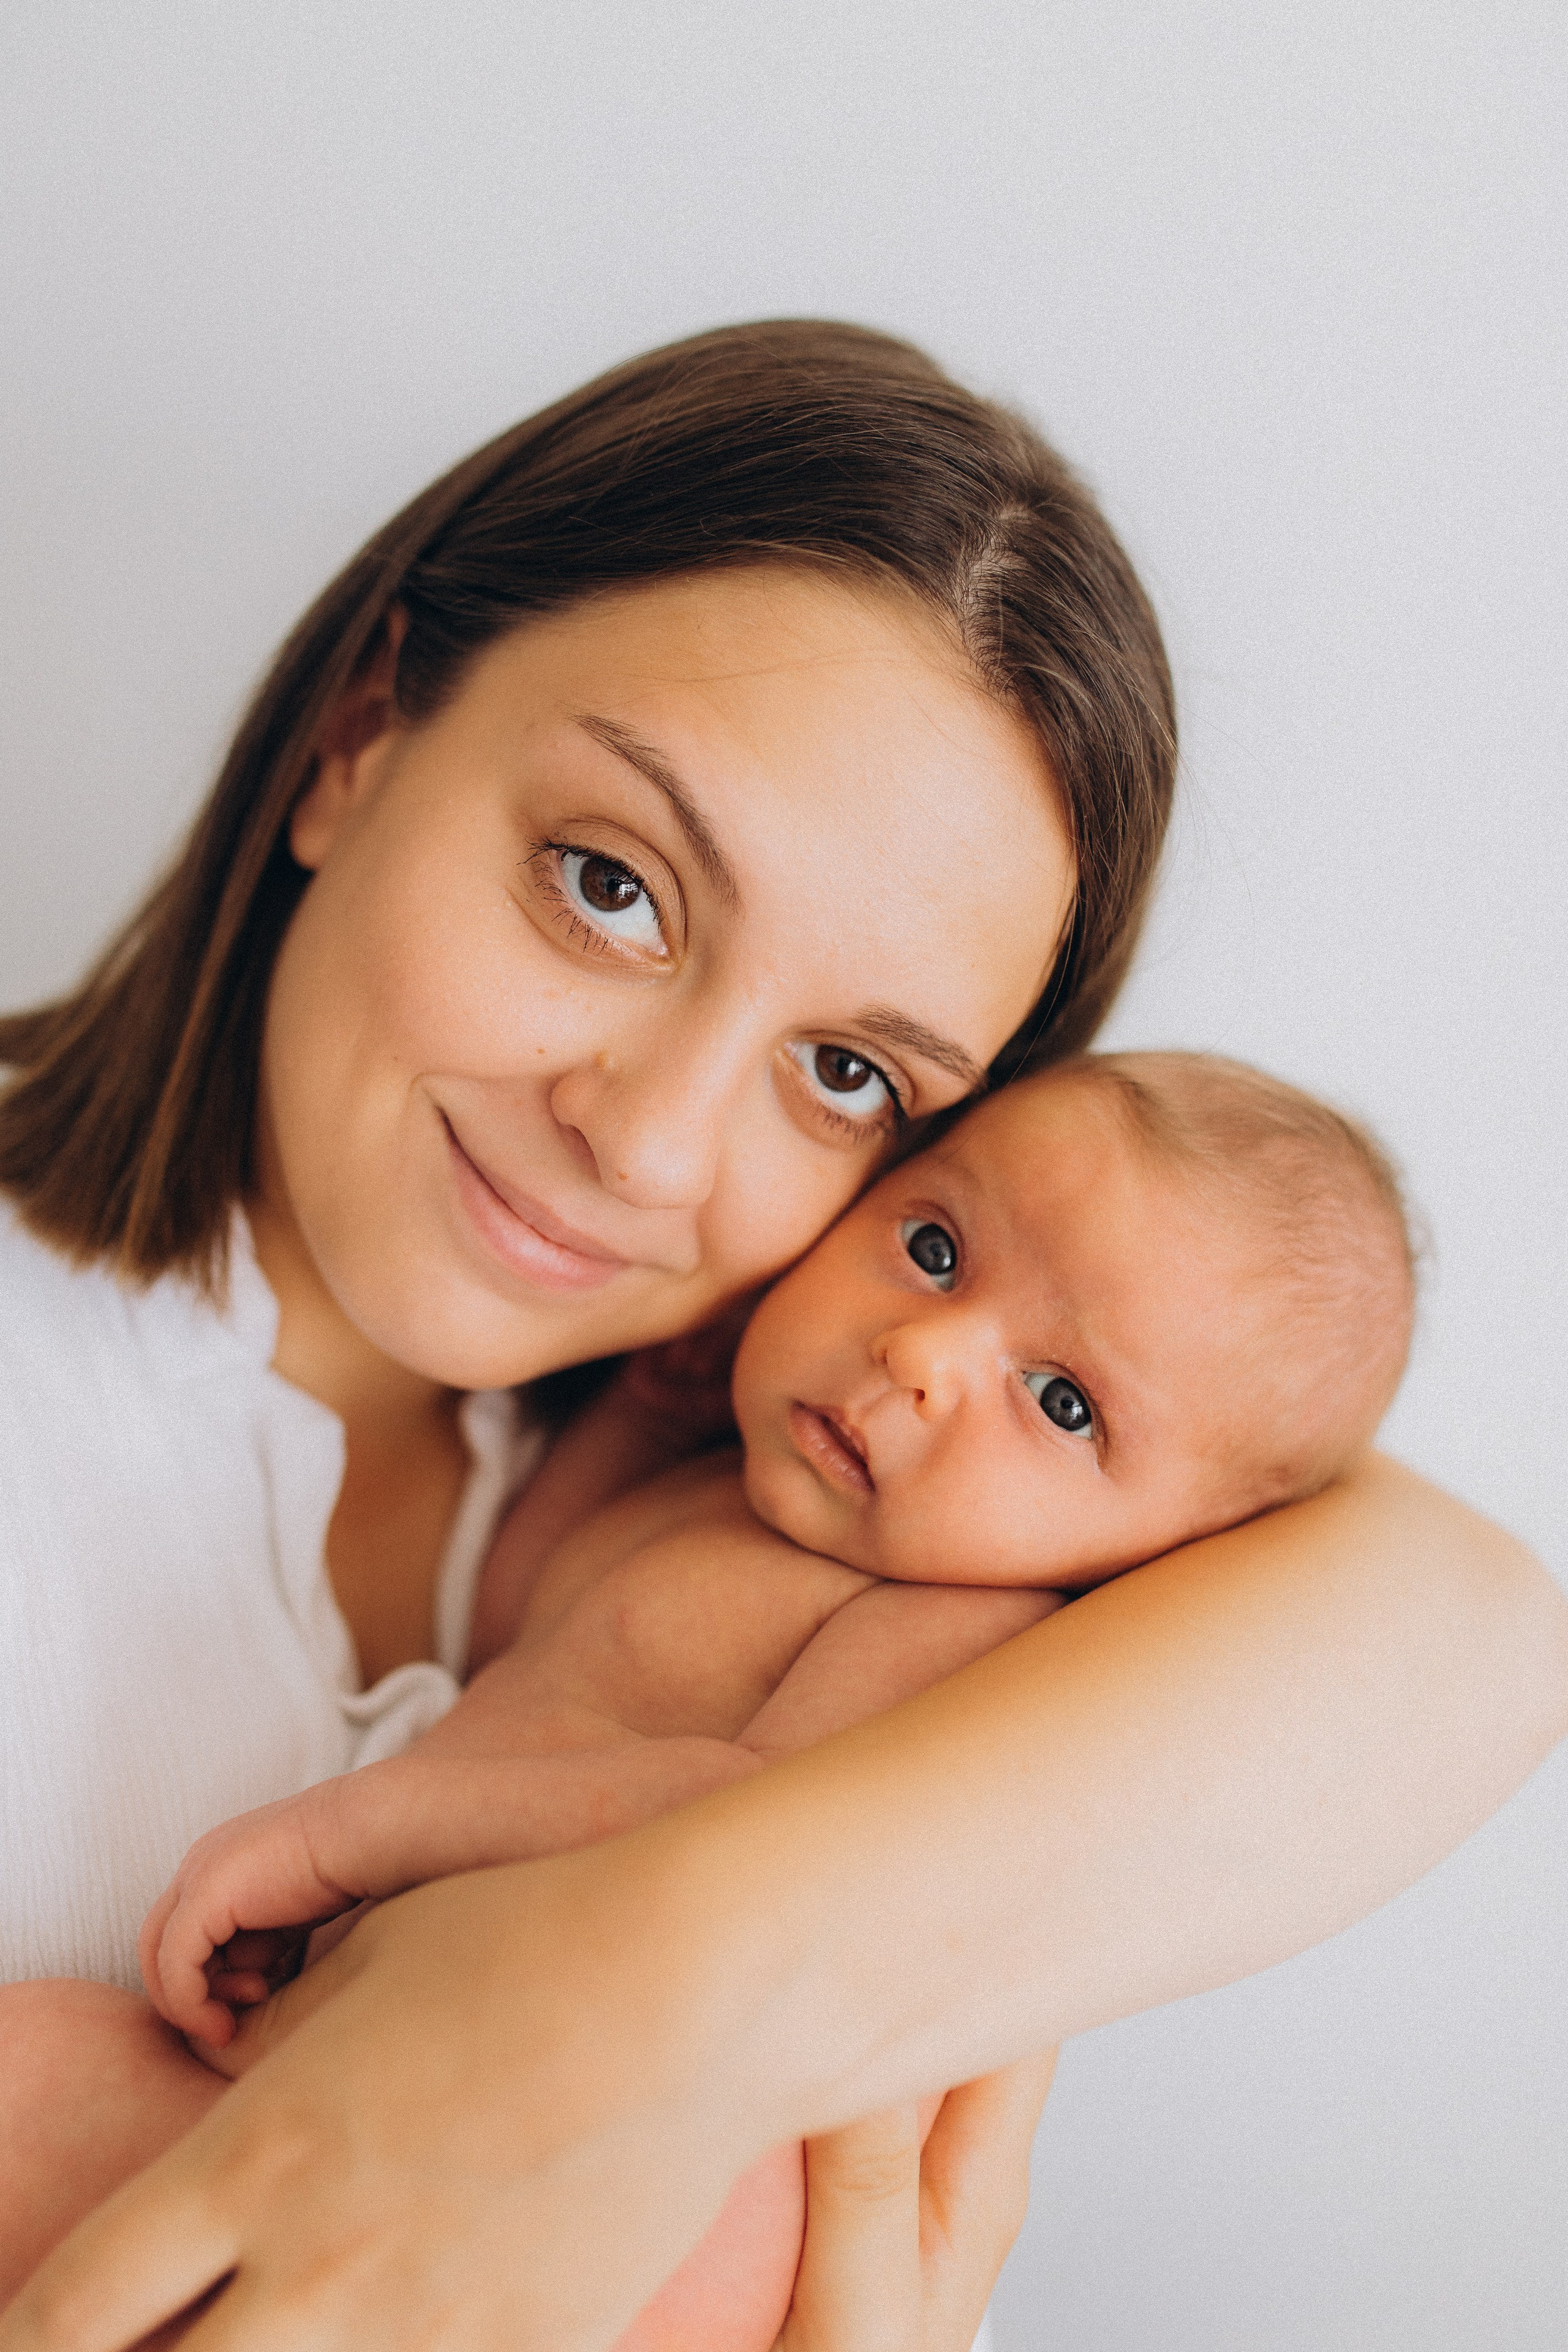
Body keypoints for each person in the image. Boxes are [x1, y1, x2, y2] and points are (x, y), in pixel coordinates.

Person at [0, 323, 1562, 2352]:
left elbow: (1468, 1626)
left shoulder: (695, 1508)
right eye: (610, 886)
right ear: (362, 733)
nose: (648, 1146)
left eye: (843, 1073)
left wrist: (647, 2009)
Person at [105, 1049, 1410, 2352]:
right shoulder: (719, 1493)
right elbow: (517, 1625)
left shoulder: (949, 1626)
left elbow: (724, 1832)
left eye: (1061, 1403)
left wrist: (346, 1838)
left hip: (669, 2205)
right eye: (937, 1249)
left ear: (1163, 1554)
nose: (922, 1353)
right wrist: (629, 1422)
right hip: (410, 2089)